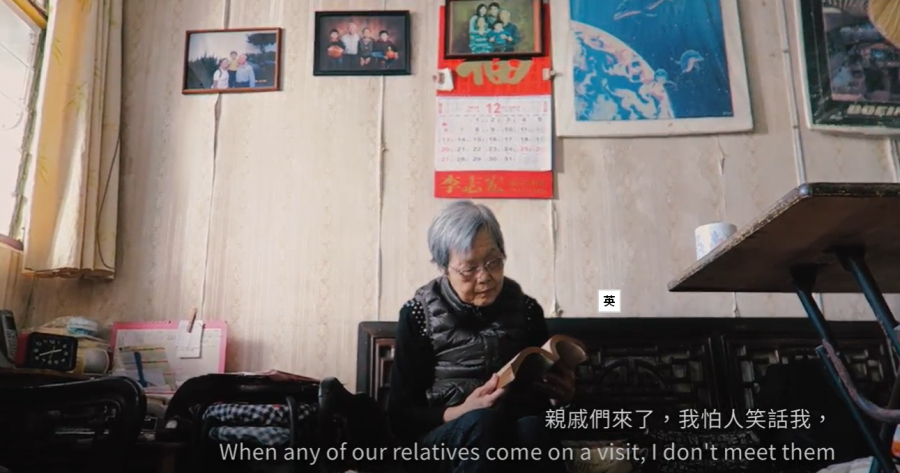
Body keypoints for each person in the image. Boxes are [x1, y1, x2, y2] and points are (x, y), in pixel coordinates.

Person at [387, 201, 574, 473]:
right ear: (444, 267)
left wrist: (561, 398)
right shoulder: (418, 315)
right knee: (483, 423)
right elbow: (400, 416)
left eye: (493, 262)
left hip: (513, 435)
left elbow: (540, 404)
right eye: (469, 268)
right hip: (445, 440)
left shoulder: (527, 311)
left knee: (534, 428)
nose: (485, 277)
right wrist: (462, 410)